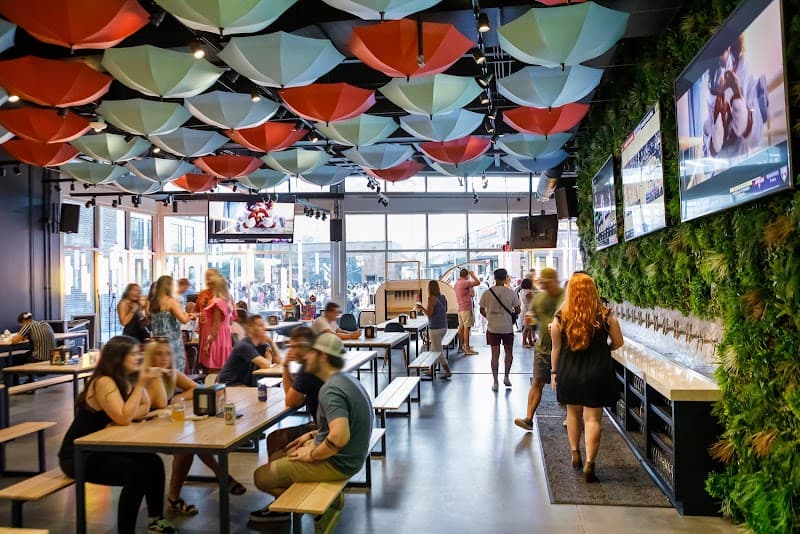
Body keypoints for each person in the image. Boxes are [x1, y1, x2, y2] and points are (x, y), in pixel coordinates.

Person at [250, 333, 373, 530]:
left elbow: (340, 436)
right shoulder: (344, 379)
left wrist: (312, 455)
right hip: (351, 456)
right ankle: (311, 498)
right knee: (281, 454)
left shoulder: (330, 389)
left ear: (322, 356)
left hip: (339, 462)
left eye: (311, 353)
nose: (306, 357)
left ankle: (319, 506)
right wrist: (311, 435)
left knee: (260, 476)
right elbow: (343, 425)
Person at [58, 336, 178, 534]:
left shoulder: (124, 379)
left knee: (153, 462)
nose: (139, 358)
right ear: (118, 358)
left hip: (104, 447)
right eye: (133, 354)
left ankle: (156, 520)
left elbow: (145, 406)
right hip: (79, 454)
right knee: (137, 474)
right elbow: (124, 417)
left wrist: (127, 411)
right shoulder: (104, 381)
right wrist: (139, 387)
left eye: (139, 353)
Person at [143, 338, 246, 514]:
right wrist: (157, 375)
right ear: (150, 356)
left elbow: (197, 388)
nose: (163, 358)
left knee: (192, 441)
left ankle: (177, 497)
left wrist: (178, 398)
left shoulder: (171, 373)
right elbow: (160, 403)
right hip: (142, 429)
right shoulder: (146, 375)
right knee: (188, 445)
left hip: (163, 424)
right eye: (158, 354)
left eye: (167, 354)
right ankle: (221, 476)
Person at [550, 273, 624, 482]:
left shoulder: (559, 318)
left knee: (572, 414)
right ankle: (591, 462)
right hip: (597, 371)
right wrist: (602, 348)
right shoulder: (606, 315)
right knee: (592, 419)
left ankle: (575, 452)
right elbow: (618, 343)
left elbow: (556, 349)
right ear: (593, 291)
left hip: (569, 371)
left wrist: (554, 373)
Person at [515, 268, 565, 431]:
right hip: (543, 349)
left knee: (566, 385)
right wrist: (529, 321)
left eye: (546, 283)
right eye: (541, 283)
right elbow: (531, 317)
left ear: (555, 281)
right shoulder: (539, 298)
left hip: (565, 351)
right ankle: (528, 419)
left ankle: (570, 417)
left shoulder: (566, 298)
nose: (544, 286)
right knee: (537, 382)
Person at [266, 326, 321, 457]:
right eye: (292, 346)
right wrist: (286, 367)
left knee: (275, 438)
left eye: (298, 346)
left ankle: (277, 474)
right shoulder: (317, 361)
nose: (294, 350)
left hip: (325, 429)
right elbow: (297, 398)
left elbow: (291, 401)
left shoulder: (308, 368)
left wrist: (285, 366)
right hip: (332, 424)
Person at [479, 268, 521, 392]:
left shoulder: (487, 292)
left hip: (492, 328)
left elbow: (481, 309)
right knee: (509, 353)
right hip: (507, 328)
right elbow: (518, 310)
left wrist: (489, 317)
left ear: (494, 278)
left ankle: (495, 382)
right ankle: (506, 377)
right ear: (506, 278)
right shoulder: (511, 292)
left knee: (494, 355)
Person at [149, 275, 194, 374]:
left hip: (157, 341)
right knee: (174, 369)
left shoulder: (153, 302)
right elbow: (183, 320)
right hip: (172, 340)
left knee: (160, 370)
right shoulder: (171, 301)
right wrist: (189, 315)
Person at [218, 315, 279, 386]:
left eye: (264, 325)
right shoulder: (244, 346)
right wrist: (269, 357)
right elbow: (265, 365)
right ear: (251, 329)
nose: (264, 328)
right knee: (262, 394)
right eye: (260, 326)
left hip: (246, 384)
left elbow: (278, 361)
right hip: (230, 385)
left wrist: (271, 342)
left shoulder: (261, 344)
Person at [416, 280, 452, 378]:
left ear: (429, 288)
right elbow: (445, 310)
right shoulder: (443, 297)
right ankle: (432, 370)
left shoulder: (431, 298)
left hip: (435, 328)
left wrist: (421, 308)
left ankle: (448, 371)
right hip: (444, 326)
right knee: (434, 349)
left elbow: (429, 314)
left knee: (437, 351)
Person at [200, 270, 233, 373]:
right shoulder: (226, 301)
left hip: (216, 338)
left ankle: (213, 388)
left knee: (213, 370)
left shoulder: (217, 302)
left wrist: (208, 341)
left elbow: (216, 324)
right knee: (219, 368)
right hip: (222, 337)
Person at [454, 269, 480, 355]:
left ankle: (461, 347)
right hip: (466, 308)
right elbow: (478, 282)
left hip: (460, 308)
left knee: (461, 328)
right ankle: (467, 349)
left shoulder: (457, 283)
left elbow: (469, 294)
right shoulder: (465, 282)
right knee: (467, 328)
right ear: (466, 275)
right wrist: (473, 274)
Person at [518, 278, 536, 348]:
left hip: (524, 310)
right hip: (529, 311)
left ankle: (530, 341)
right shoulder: (528, 292)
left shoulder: (522, 291)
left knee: (529, 327)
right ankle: (524, 342)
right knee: (527, 328)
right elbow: (533, 301)